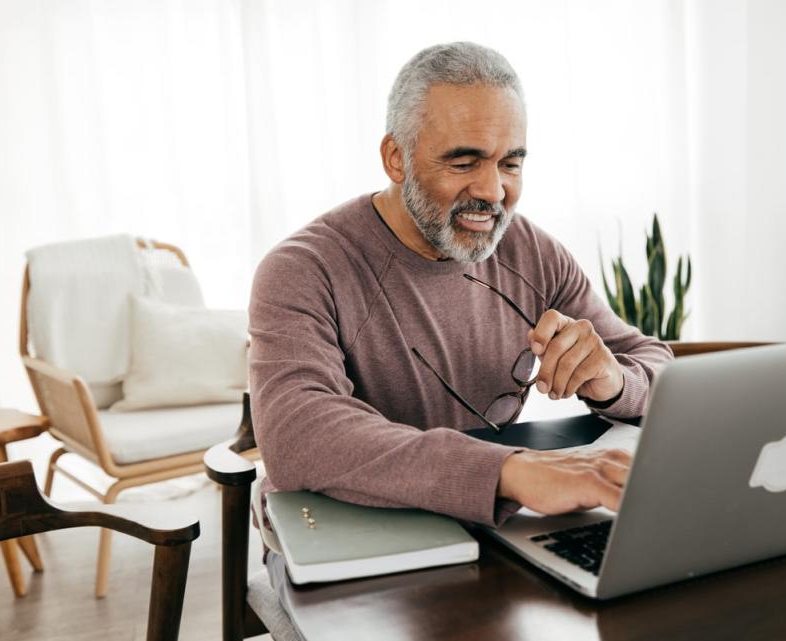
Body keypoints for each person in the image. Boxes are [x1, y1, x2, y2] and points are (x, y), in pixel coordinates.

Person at [249, 42, 672, 533]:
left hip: (486, 523)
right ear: (396, 158)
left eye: (510, 164)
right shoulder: (303, 268)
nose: (493, 192)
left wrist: (615, 380)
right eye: (464, 162)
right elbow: (298, 436)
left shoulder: (532, 250)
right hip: (342, 531)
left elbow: (656, 364)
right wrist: (509, 472)